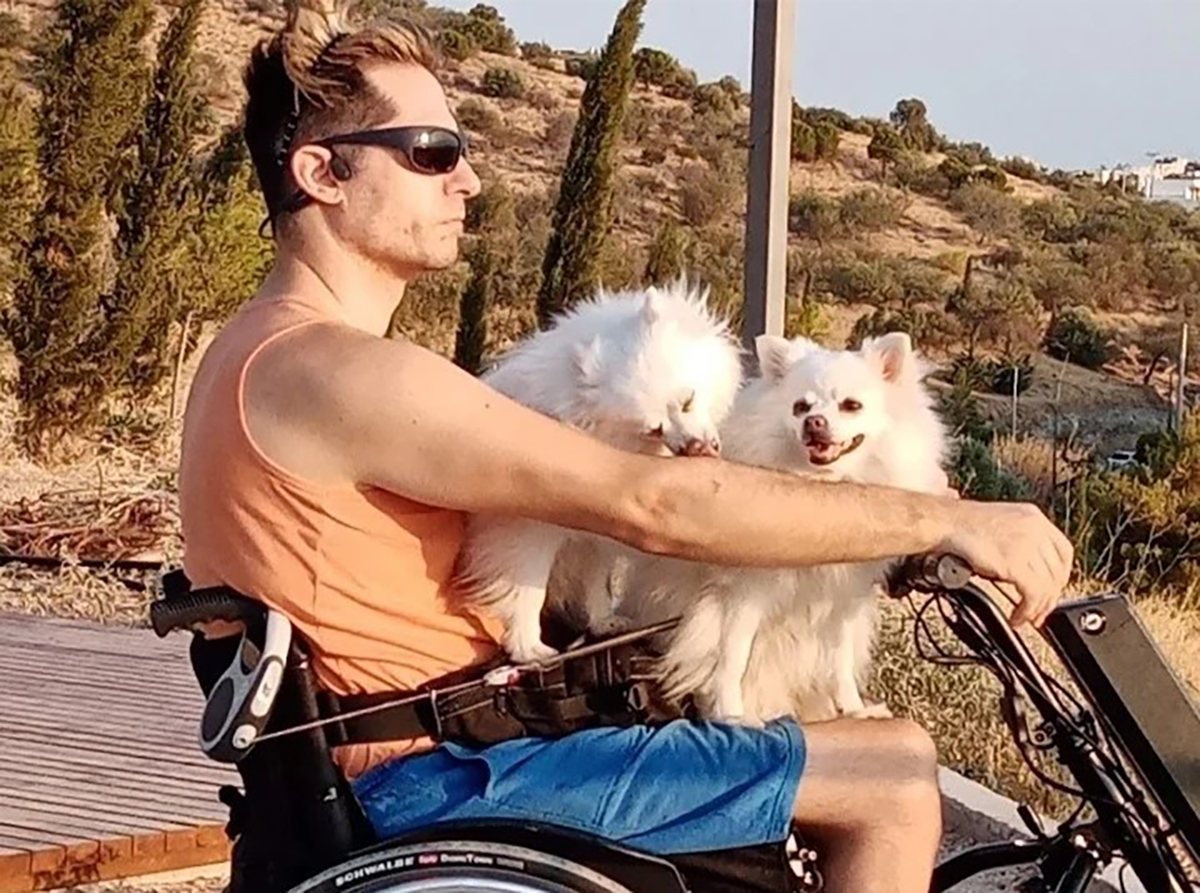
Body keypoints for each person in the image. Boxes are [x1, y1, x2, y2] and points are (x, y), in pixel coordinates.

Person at [177, 11, 1073, 893]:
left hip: (412, 764)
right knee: (895, 775)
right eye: (433, 153)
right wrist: (945, 520)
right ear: (321, 173)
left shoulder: (260, 353)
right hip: (436, 782)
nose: (470, 180)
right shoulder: (337, 372)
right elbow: (655, 504)